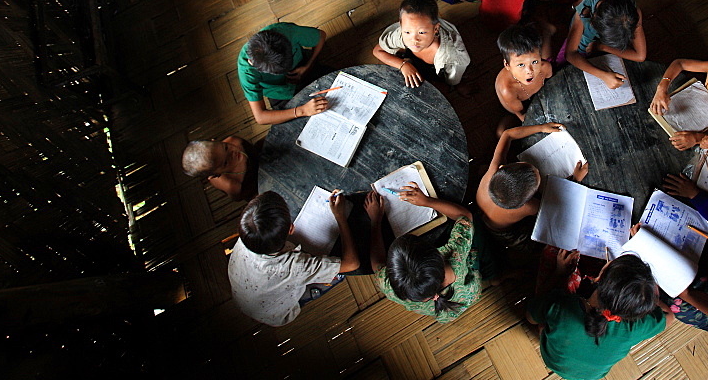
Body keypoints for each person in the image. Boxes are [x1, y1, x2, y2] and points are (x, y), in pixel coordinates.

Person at [526, 249, 672, 380]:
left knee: (550, 255)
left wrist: (559, 273)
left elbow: (530, 318)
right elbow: (669, 315)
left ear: (598, 277)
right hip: (594, 374)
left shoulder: (561, 306)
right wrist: (640, 297)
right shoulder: (633, 328)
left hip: (553, 360)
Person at [227, 191, 359, 327]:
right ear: (291, 229)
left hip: (243, 297)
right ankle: (310, 292)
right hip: (275, 313)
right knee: (339, 274)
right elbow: (352, 264)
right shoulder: (294, 266)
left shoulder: (249, 234)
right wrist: (340, 216)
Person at [369, 185, 498, 323]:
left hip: (443, 312)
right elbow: (465, 216)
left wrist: (375, 221)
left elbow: (377, 263)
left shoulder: (389, 287)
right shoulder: (454, 257)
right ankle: (493, 274)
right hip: (468, 293)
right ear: (437, 253)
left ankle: (494, 274)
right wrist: (427, 201)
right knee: (475, 224)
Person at [476, 123, 588, 245]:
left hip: (480, 211)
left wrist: (541, 128)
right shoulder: (529, 207)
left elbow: (507, 134)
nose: (538, 169)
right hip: (501, 232)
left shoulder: (493, 170)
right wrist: (576, 180)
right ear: (529, 199)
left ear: (502, 167)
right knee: (528, 243)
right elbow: (558, 209)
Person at [372, 0, 470, 88]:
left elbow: (453, 80)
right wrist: (403, 65)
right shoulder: (402, 34)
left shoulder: (449, 54)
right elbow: (377, 51)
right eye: (407, 32)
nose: (414, 39)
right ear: (401, 26)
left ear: (436, 29)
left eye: (422, 33)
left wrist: (455, 85)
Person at [239, 23, 329, 125]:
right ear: (252, 63)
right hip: (279, 92)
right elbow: (260, 117)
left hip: (304, 67)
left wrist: (308, 66)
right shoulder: (246, 71)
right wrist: (302, 111)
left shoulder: (286, 31)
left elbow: (321, 36)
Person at [564, 0, 646, 90]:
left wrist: (602, 47)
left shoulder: (631, 13)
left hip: (603, 47)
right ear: (594, 21)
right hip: (581, 48)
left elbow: (640, 56)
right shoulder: (586, 8)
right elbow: (570, 54)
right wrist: (603, 75)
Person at [495, 24, 554, 123]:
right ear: (507, 65)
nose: (530, 71)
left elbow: (552, 84)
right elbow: (522, 115)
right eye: (521, 65)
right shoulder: (508, 90)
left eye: (534, 62)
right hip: (520, 106)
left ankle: (547, 32)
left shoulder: (545, 67)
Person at [182, 136, 258, 201]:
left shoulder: (234, 141)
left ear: (215, 141)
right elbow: (243, 197)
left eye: (226, 147)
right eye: (225, 163)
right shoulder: (232, 185)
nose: (233, 154)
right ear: (216, 175)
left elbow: (254, 150)